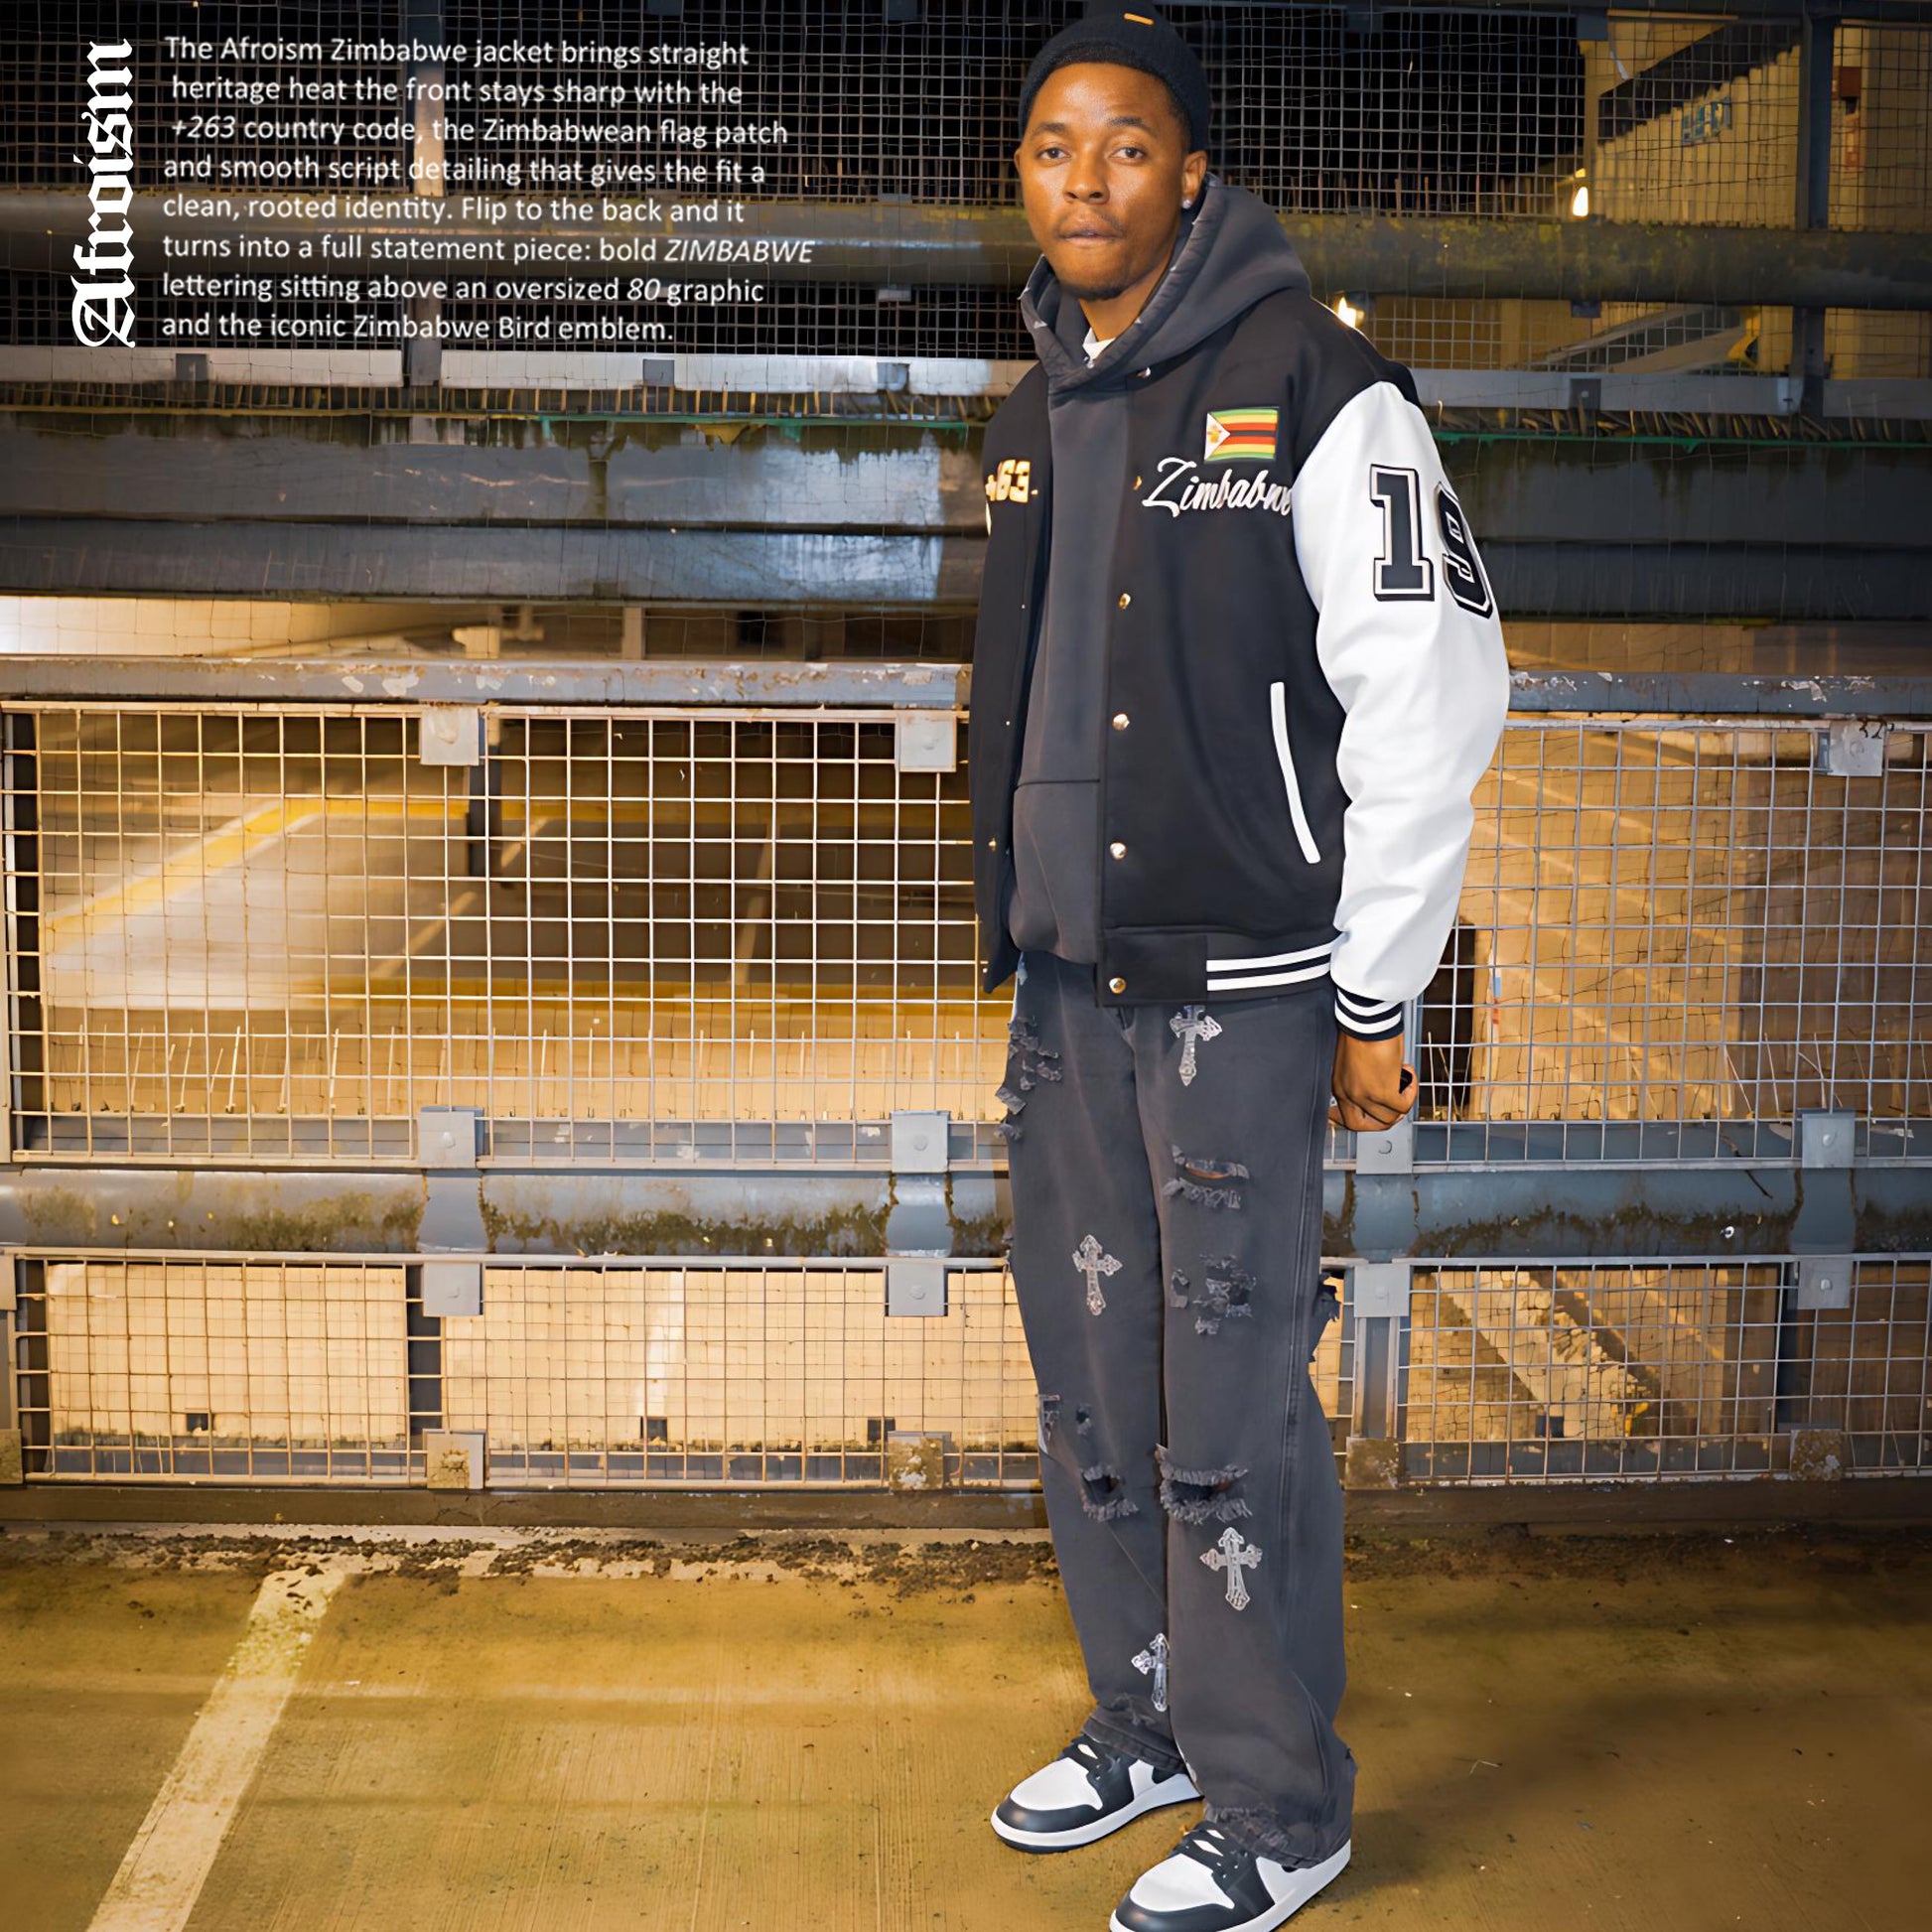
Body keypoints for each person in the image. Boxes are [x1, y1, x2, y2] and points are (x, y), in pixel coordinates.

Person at [968, 9, 1512, 1929]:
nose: (1086, 179)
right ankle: (1150, 1719)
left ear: (1189, 171)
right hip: (1069, 988)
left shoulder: (1315, 386)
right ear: (1021, 174)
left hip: (1250, 992)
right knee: (1091, 1382)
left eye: (1126, 146)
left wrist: (1376, 994)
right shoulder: (1031, 409)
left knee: (1232, 1404)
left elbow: (1432, 699)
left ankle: (1281, 1802)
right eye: (1053, 146)